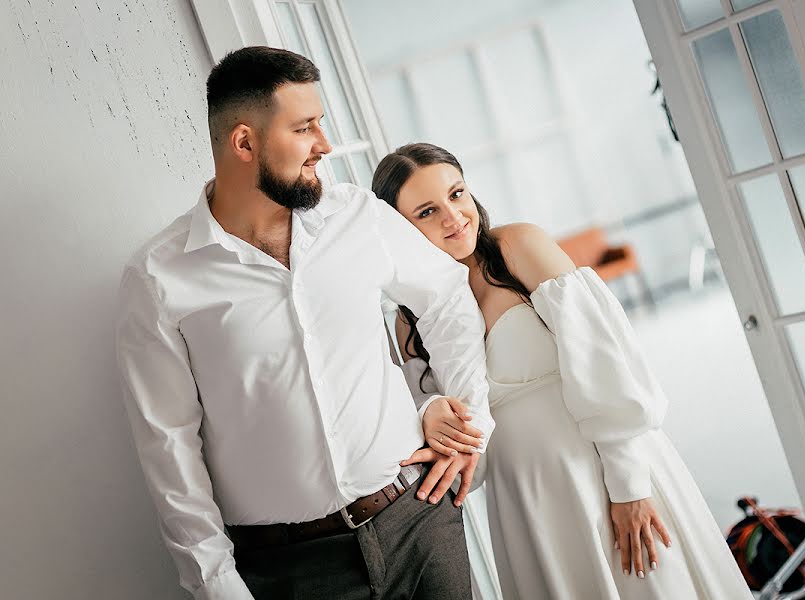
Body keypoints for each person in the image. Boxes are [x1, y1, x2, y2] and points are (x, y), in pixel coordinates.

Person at [115, 49, 495, 600]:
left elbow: (446, 298)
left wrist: (470, 422)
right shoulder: (158, 277)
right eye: (304, 128)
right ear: (244, 143)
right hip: (292, 572)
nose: (324, 144)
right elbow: (168, 449)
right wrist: (218, 587)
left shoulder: (357, 217)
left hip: (420, 523)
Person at [373, 143, 755, 600]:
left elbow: (606, 363)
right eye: (428, 211)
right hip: (524, 496)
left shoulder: (518, 248)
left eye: (457, 194)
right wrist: (432, 410)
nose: (454, 217)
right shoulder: (408, 320)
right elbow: (450, 435)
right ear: (398, 228)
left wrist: (629, 486)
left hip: (601, 463)